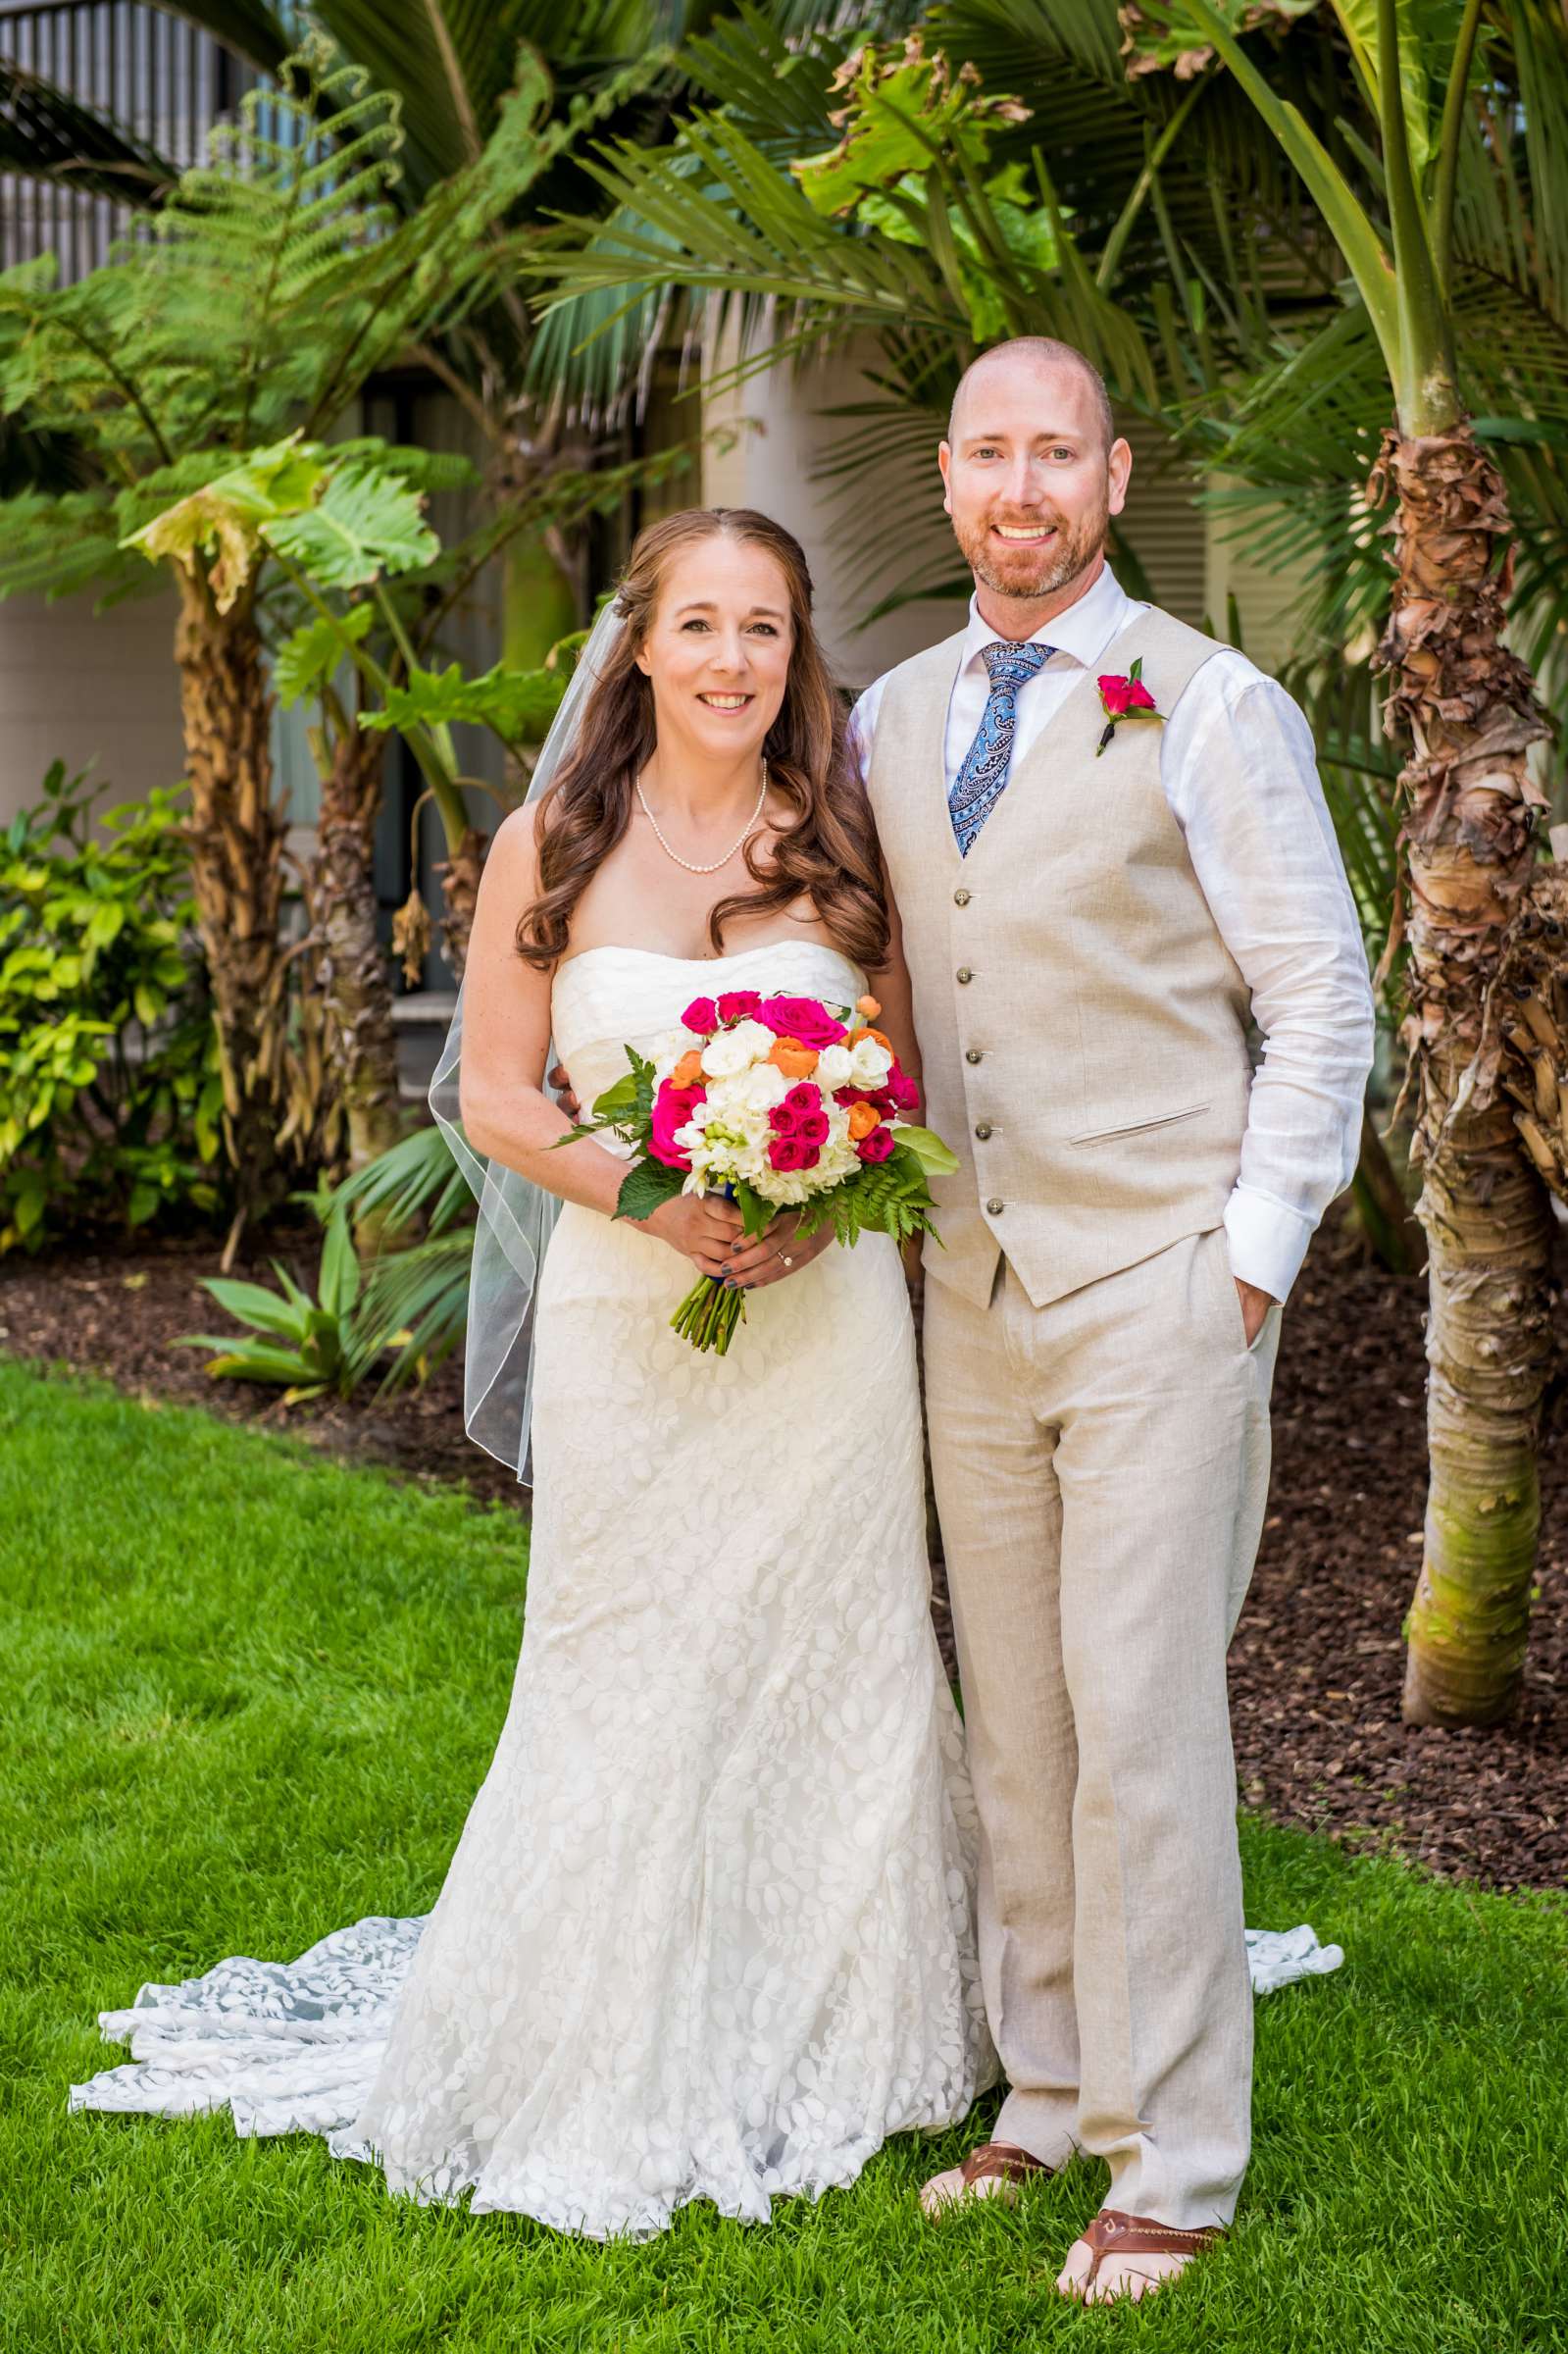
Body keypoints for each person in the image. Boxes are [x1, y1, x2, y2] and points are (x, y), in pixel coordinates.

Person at [68, 506, 995, 2237]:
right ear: (637, 644)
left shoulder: (844, 842)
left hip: (829, 1314)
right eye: (701, 624)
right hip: (626, 1325)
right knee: (622, 1659)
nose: (732, 660)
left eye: (767, 629)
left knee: (841, 1646)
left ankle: (851, 2035)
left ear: (798, 657)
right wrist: (668, 1196)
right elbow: (499, 1098)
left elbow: (897, 1075)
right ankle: (597, 2037)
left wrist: (821, 1189)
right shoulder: (551, 842)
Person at [849, 336, 1376, 2302]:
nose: (1017, 488)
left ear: (1112, 474)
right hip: (967, 1288)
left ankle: (1176, 2156)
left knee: (1141, 1729)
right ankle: (1045, 2090)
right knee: (1019, 1722)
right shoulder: (891, 715)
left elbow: (1317, 998)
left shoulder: (1209, 705)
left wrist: (1246, 1262)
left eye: (1050, 454)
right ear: (946, 476)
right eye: (985, 454)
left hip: (1158, 1282)